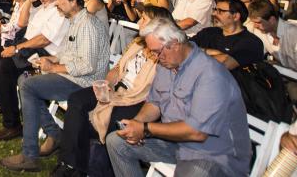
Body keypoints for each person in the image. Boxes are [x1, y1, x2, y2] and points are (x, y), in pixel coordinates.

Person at [107, 17, 252, 177]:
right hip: (176, 143)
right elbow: (155, 103)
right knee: (116, 142)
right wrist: (136, 125)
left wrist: (146, 129)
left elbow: (197, 132)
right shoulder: (166, 65)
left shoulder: (210, 74)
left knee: (193, 172)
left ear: (175, 44)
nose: (155, 57)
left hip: (213, 152)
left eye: (157, 51)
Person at [0, 0, 110, 172]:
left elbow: (87, 66)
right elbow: (68, 53)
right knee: (24, 81)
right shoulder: (75, 20)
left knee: (28, 86)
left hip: (84, 83)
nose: (57, 2)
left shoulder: (88, 24)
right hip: (72, 75)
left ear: (74, 2)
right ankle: (53, 133)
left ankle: (29, 155)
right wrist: (52, 59)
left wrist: (54, 67)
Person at [50, 5, 170, 177]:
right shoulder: (137, 43)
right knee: (77, 99)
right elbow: (118, 68)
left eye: (144, 19)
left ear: (158, 25)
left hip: (138, 98)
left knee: (111, 119)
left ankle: (95, 166)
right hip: (117, 88)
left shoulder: (163, 53)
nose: (139, 21)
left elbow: (155, 92)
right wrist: (107, 83)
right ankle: (70, 164)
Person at [0, 0, 69, 141]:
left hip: (43, 53)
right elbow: (24, 23)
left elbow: (43, 40)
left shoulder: (59, 11)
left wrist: (16, 49)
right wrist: (30, 1)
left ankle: (13, 124)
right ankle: (3, 103)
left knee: (3, 66)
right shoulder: (42, 8)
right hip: (26, 46)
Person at [248, 0, 297, 71]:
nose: (255, 26)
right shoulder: (261, 31)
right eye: (254, 22)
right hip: (290, 73)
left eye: (258, 22)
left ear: (272, 20)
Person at [191, 0, 264, 70]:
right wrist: (213, 52)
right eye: (215, 10)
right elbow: (184, 48)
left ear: (235, 16)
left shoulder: (251, 42)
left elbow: (224, 64)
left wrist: (196, 52)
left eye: (220, 11)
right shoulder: (207, 32)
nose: (214, 14)